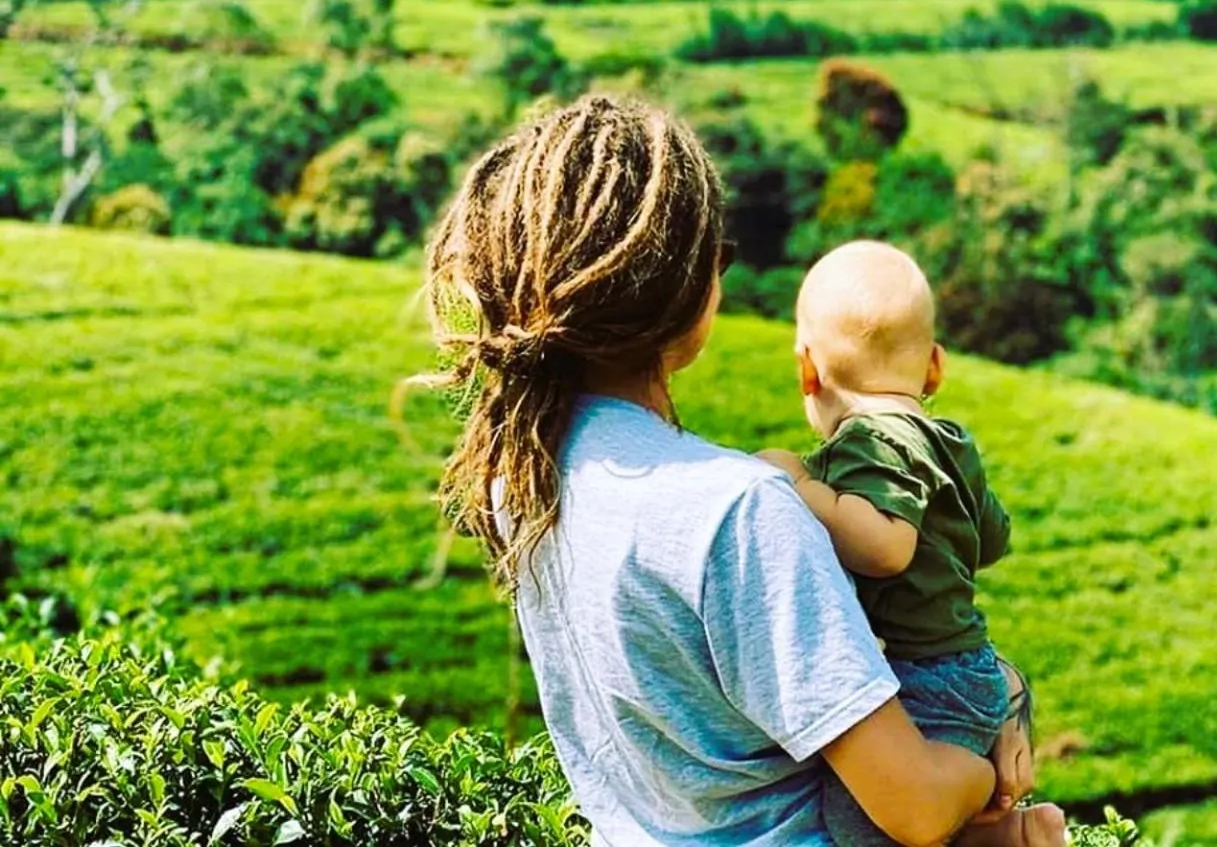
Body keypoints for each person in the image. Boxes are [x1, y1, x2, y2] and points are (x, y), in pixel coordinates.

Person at [422, 95, 1039, 847]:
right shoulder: (741, 511)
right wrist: (985, 763)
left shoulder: (520, 478)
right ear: (693, 289)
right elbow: (910, 804)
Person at [759, 241, 1063, 847]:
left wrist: (799, 485)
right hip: (969, 664)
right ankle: (1017, 835)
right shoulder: (950, 440)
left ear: (807, 370)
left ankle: (990, 810)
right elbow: (993, 538)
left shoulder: (868, 443)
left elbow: (886, 547)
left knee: (860, 823)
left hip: (928, 677)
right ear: (934, 368)